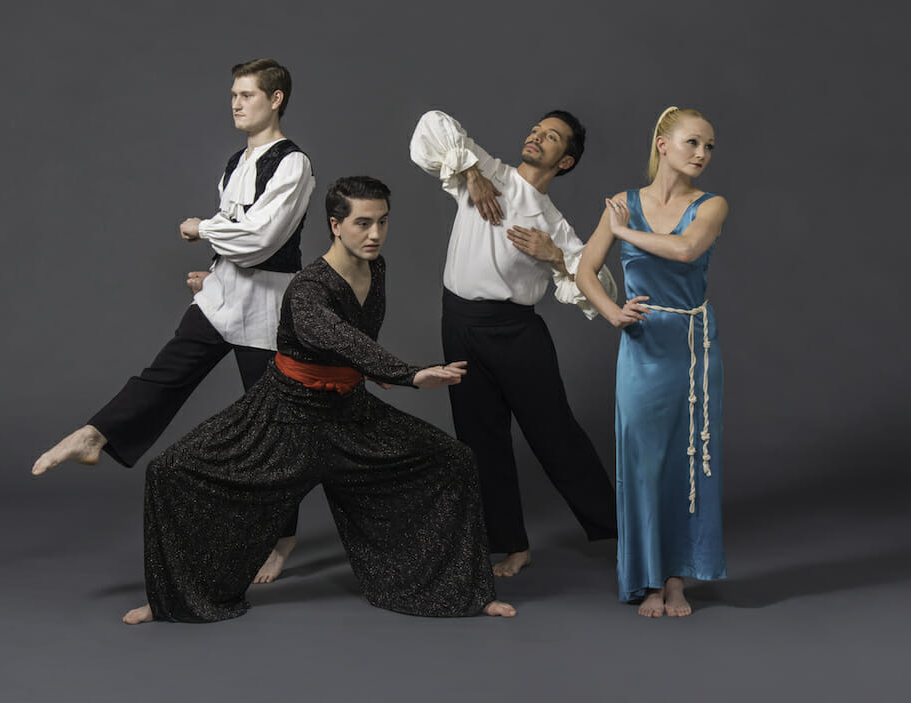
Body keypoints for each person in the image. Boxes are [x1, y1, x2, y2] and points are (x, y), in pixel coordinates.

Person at [110, 176, 515, 624]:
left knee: (452, 460)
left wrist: (367, 369)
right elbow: (334, 334)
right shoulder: (307, 287)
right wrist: (408, 374)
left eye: (382, 222)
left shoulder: (374, 268)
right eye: (363, 223)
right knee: (171, 471)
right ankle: (168, 600)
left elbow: (357, 338)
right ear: (335, 224)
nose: (375, 234)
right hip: (284, 416)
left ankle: (467, 594)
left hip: (350, 415)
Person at [31, 59, 314, 582]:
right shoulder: (233, 161)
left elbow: (260, 239)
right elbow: (238, 237)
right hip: (223, 294)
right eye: (232, 93)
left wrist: (201, 228)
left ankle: (282, 536)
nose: (235, 102)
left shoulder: (293, 163)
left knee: (273, 422)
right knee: (165, 373)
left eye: (247, 94)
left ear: (275, 100)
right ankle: (97, 434)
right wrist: (213, 273)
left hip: (269, 307)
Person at [410, 110, 619, 577]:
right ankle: (512, 546)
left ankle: (623, 534)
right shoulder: (487, 170)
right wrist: (470, 174)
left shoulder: (552, 222)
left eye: (551, 138)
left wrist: (557, 257)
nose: (536, 137)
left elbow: (600, 285)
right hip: (459, 322)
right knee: (479, 440)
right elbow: (430, 125)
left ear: (564, 162)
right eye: (536, 129)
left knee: (556, 436)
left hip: (515, 333)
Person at [575, 106, 729, 617]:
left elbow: (685, 250)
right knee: (643, 464)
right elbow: (584, 272)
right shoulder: (623, 203)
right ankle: (648, 579)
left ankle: (677, 579)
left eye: (709, 146)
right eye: (693, 143)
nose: (702, 154)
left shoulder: (712, 205)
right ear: (662, 145)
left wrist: (624, 235)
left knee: (690, 462)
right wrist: (613, 313)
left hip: (692, 347)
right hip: (642, 346)